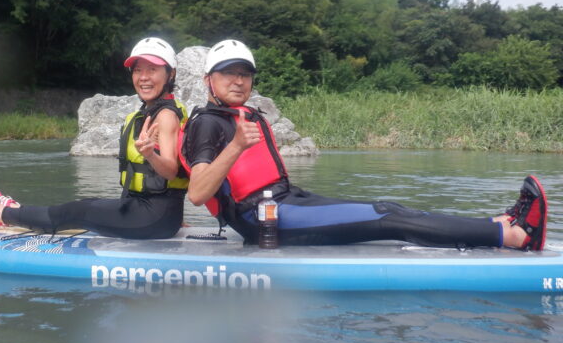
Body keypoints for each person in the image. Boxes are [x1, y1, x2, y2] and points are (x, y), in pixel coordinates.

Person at [179, 39, 548, 250]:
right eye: (228, 73)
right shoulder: (207, 125)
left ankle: (493, 222)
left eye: (245, 74)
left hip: (286, 201)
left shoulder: (243, 115)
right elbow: (197, 192)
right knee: (388, 219)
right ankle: (511, 236)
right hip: (260, 221)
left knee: (389, 206)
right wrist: (236, 147)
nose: (239, 81)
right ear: (208, 80)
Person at [0, 37, 189, 239]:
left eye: (152, 70)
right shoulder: (153, 111)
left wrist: (150, 154)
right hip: (153, 213)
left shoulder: (166, 115)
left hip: (153, 216)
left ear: (171, 74)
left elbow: (170, 169)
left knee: (77, 211)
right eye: (138, 70)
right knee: (88, 204)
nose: (143, 77)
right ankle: (17, 211)